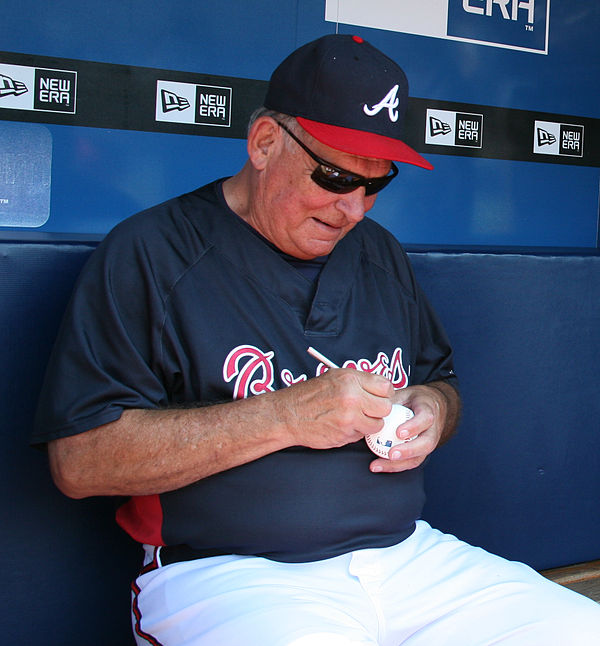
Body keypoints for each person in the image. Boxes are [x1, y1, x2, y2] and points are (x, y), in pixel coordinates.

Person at [33, 34, 600, 645]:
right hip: (233, 574)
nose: (353, 209)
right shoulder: (152, 252)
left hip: (409, 556)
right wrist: (283, 416)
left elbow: (443, 383)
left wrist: (433, 411)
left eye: (375, 184)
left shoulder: (377, 253)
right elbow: (80, 461)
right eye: (333, 176)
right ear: (264, 143)